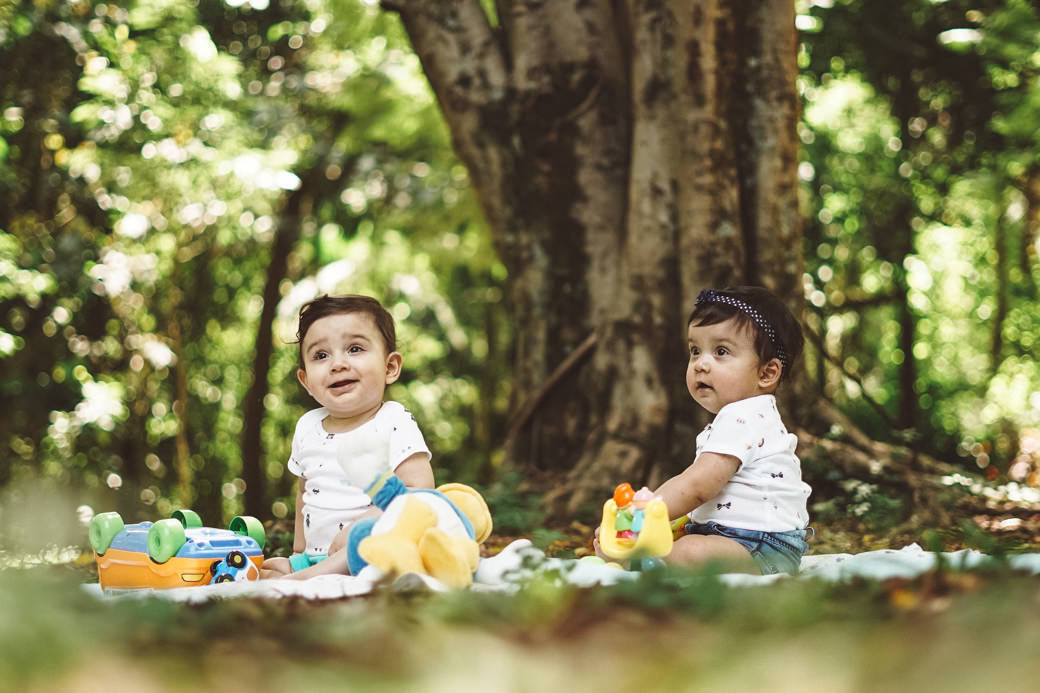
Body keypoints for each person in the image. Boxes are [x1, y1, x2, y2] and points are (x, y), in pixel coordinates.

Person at [595, 286, 812, 575]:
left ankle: (638, 560)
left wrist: (643, 513)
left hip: (762, 546)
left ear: (767, 373)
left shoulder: (743, 417)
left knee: (688, 551)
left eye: (721, 351)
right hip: (733, 537)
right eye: (695, 351)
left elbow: (698, 486)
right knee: (680, 539)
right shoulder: (743, 416)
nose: (701, 364)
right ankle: (640, 553)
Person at [260, 294, 434, 579]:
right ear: (306, 381)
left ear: (390, 367)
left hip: (376, 549)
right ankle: (306, 571)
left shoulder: (393, 420)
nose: (337, 364)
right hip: (318, 557)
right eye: (321, 355)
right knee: (268, 569)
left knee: (368, 542)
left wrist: (371, 518)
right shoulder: (307, 426)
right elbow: (305, 492)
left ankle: (306, 579)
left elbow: (421, 493)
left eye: (354, 349)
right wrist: (297, 556)